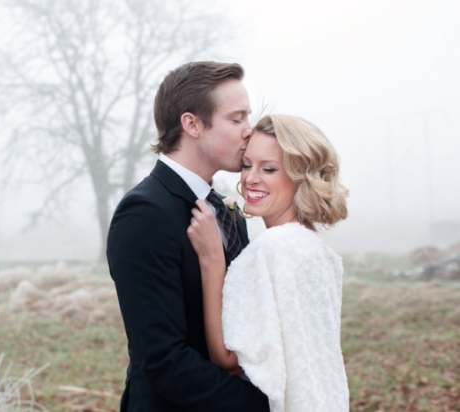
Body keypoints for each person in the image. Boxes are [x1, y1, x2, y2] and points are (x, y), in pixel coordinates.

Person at [107, 62, 270, 411]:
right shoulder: (144, 214)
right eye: (236, 118)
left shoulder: (226, 208)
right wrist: (262, 405)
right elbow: (163, 360)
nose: (249, 131)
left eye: (248, 117)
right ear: (192, 124)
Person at [187, 114, 350, 412]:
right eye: (247, 164)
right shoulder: (321, 252)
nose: (250, 178)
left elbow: (228, 360)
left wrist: (212, 261)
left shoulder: (271, 249)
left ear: (302, 176)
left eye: (270, 168)